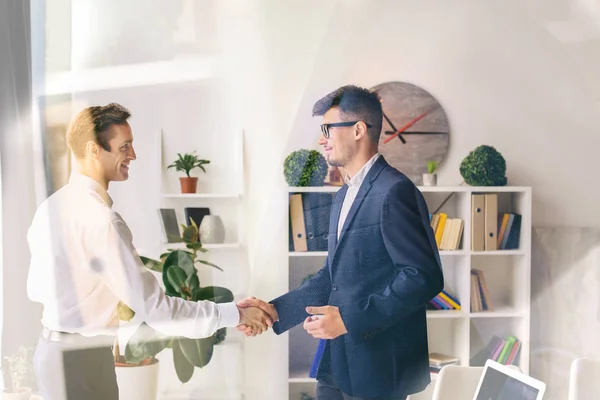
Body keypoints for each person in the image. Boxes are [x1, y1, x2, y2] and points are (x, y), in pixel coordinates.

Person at [26, 103, 271, 400]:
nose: (133, 155)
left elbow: (36, 290)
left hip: (52, 352)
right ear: (93, 149)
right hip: (82, 364)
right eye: (124, 146)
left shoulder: (51, 207)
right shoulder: (102, 221)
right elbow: (158, 311)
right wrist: (236, 313)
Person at [238, 85, 444, 400]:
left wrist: (348, 319)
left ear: (358, 129)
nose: (322, 139)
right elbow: (332, 277)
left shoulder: (394, 191)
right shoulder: (343, 195)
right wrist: (275, 310)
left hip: (378, 371)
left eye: (327, 129)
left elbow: (423, 277)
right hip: (336, 365)